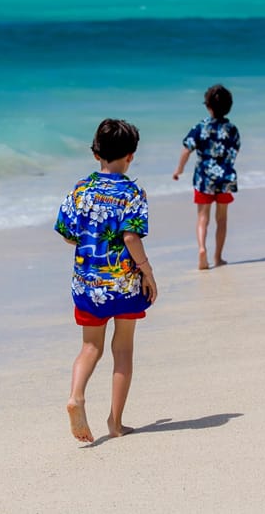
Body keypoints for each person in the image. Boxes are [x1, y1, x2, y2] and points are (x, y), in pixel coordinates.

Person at [55, 118, 158, 443]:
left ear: (95, 152)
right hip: (125, 284)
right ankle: (115, 422)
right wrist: (147, 271)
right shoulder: (132, 192)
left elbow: (69, 236)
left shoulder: (80, 190)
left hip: (88, 284)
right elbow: (130, 237)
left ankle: (77, 396)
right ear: (130, 155)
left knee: (90, 347)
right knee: (123, 350)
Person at [172, 84, 241, 270]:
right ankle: (218, 257)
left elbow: (186, 149)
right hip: (225, 178)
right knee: (222, 219)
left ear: (208, 106)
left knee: (203, 218)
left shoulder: (200, 127)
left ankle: (202, 249)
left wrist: (179, 170)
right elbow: (235, 152)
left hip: (203, 179)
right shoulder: (232, 129)